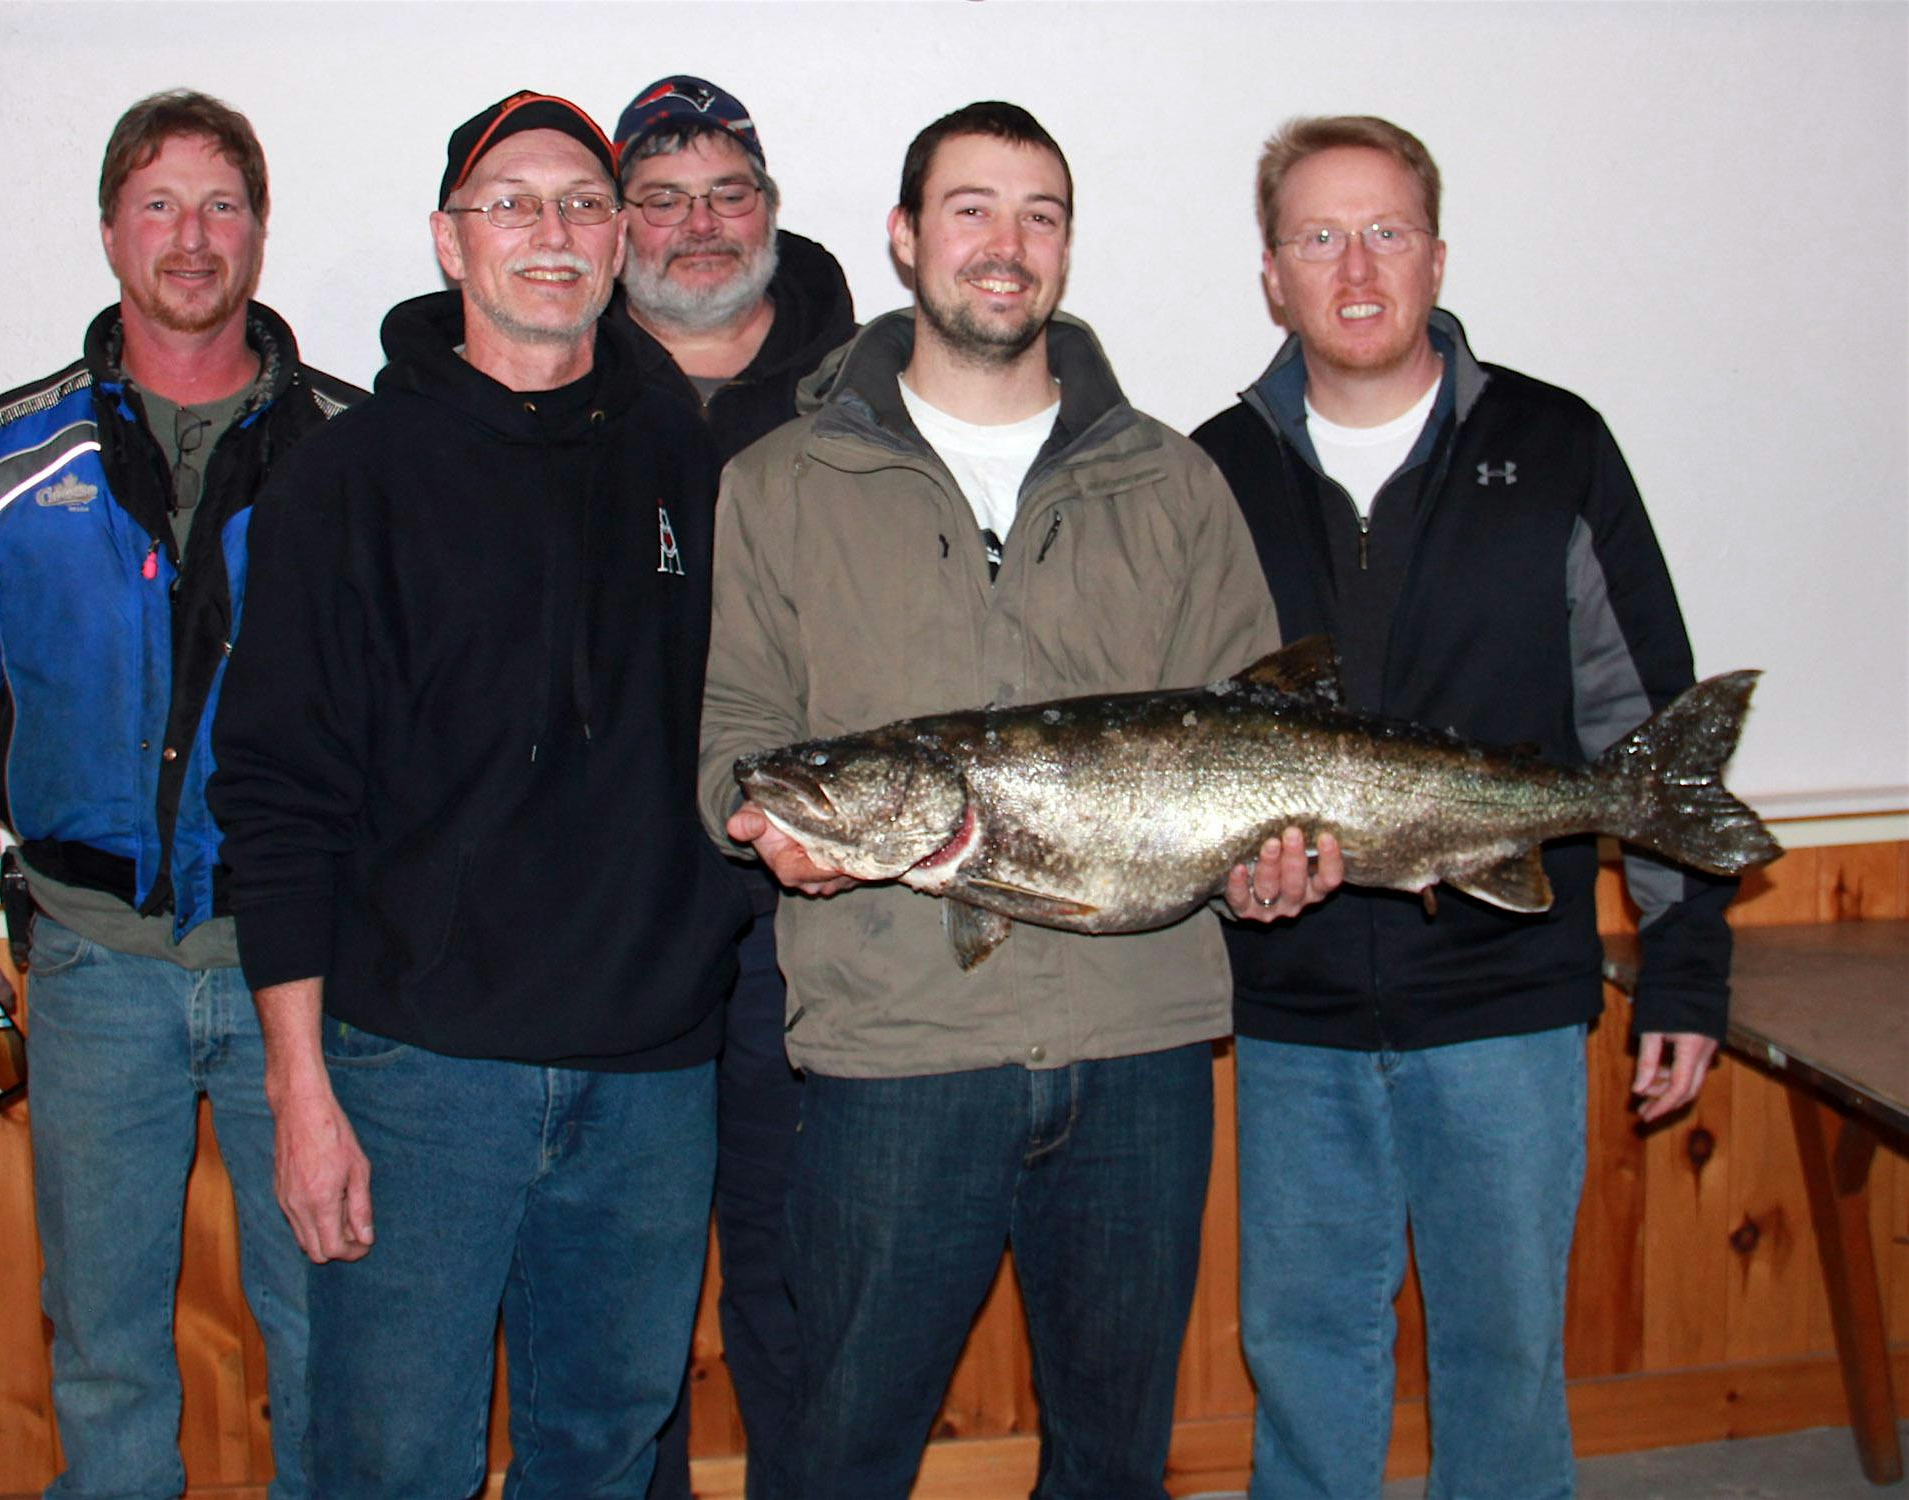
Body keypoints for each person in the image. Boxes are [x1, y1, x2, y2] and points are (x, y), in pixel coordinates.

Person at [699, 100, 1334, 1500]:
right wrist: (763, 826)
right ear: (905, 236)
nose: (1007, 245)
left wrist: (1273, 862)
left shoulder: (1173, 480)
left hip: (1141, 1046)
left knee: (1115, 1462)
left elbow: (1257, 733)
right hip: (891, 1050)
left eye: (1040, 214)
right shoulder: (782, 483)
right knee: (840, 1450)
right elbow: (738, 731)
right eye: (972, 209)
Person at [206, 90, 751, 1498]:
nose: (552, 234)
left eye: (582, 204)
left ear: (622, 240)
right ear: (451, 241)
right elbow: (275, 793)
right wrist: (300, 1092)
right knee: (394, 1464)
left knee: (606, 1451)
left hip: (649, 1073)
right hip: (418, 1076)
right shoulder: (348, 478)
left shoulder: (690, 464)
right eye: (514, 203)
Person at [1190, 115, 1732, 1499]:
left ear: (1435, 255)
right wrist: (1221, 881)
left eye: (1385, 233)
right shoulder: (1208, 475)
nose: (1355, 270)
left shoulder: (1556, 447)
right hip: (1294, 1010)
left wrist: (1686, 971)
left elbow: (1647, 734)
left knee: (1504, 1359)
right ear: (1272, 275)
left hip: (1507, 1000)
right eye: (1319, 237)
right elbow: (1180, 750)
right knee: (1303, 1349)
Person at [0, 89, 360, 1500]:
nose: (190, 238)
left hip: (310, 980)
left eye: (220, 206)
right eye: (160, 205)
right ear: (108, 232)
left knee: (332, 1331)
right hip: (93, 970)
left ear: (260, 233)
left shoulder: (354, 452)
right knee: (106, 1345)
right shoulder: (6, 459)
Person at [606, 73, 857, 1499]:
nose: (700, 227)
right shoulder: (557, 389)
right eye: (662, 197)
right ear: (619, 222)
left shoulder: (868, 392)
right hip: (612, 926)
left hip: (808, 919)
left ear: (770, 211)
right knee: (624, 1297)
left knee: (797, 1281)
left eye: (729, 193)